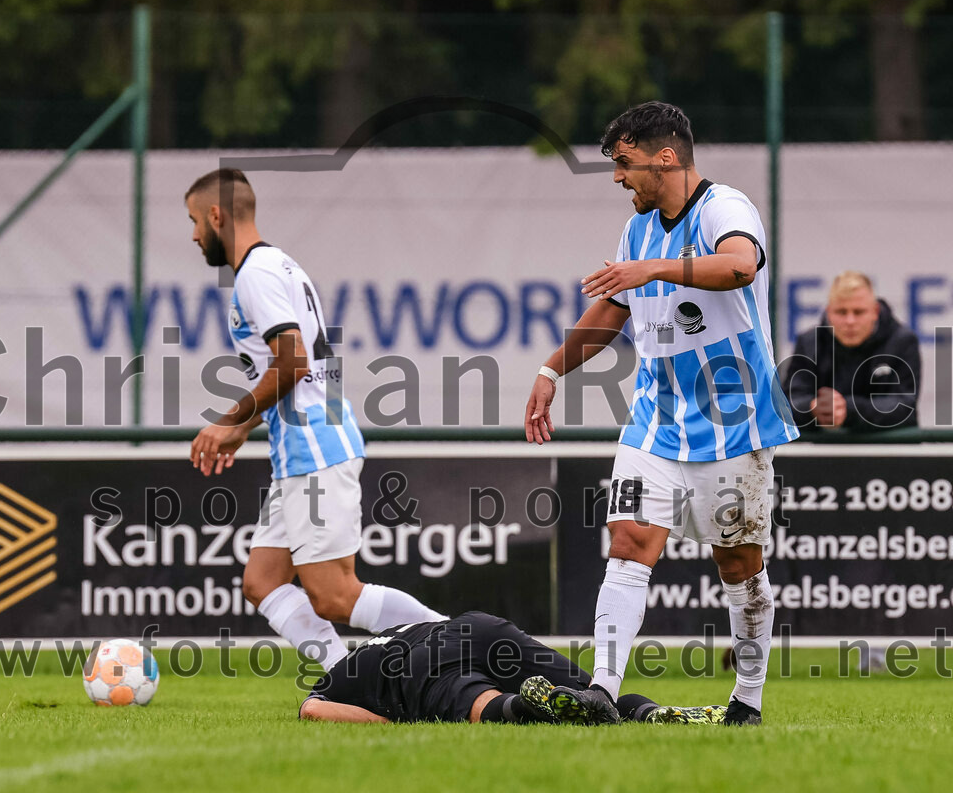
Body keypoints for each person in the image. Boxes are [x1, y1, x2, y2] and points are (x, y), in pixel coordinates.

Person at [523, 102, 799, 726]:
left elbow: (739, 266)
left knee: (738, 563)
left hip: (737, 421)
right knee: (628, 543)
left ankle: (747, 701)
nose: (619, 178)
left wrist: (654, 268)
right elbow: (612, 313)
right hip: (656, 418)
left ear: (664, 157)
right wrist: (549, 372)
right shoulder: (636, 230)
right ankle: (602, 689)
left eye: (623, 164)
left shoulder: (725, 208)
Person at [185, 168, 444, 670]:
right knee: (262, 582)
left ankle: (462, 645)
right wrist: (243, 427)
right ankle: (344, 677)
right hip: (302, 446)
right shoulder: (279, 264)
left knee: (333, 595)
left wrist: (227, 418)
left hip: (315, 447)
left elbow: (293, 361)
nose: (195, 234)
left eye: (195, 221)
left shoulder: (255, 275)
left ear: (216, 215)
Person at [299, 610, 725, 725]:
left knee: (485, 706)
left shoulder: (341, 675)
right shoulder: (390, 633)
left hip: (423, 666)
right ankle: (649, 712)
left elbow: (312, 709)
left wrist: (388, 723)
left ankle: (526, 706)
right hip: (475, 626)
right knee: (595, 695)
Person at [781, 271, 920, 430]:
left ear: (875, 311)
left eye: (858, 312)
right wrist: (813, 407)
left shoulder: (903, 341)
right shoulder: (809, 342)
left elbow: (905, 406)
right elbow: (788, 403)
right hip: (821, 452)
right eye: (841, 312)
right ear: (828, 312)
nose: (850, 321)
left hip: (890, 452)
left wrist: (848, 409)